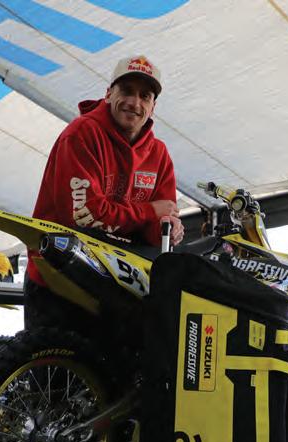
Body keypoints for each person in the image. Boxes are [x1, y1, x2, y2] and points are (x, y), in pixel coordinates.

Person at [24, 55, 184, 330]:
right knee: (52, 357)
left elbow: (155, 231)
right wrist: (150, 211)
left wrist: (169, 228)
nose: (135, 102)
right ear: (109, 94)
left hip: (116, 288)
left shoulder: (159, 154)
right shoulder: (81, 134)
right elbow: (83, 217)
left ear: (153, 106)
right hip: (59, 279)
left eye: (145, 96)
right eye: (127, 91)